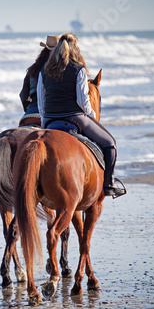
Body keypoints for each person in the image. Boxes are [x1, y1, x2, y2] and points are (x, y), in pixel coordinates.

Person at [37, 33, 126, 197]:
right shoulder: (79, 69)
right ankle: (109, 185)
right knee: (110, 143)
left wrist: (46, 121)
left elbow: (41, 102)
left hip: (49, 119)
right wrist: (91, 115)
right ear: (74, 49)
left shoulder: (44, 70)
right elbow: (82, 101)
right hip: (74, 117)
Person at [18, 35, 62, 127]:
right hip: (52, 113)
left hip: (30, 113)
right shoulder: (61, 70)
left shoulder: (33, 69)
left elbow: (23, 95)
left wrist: (29, 109)